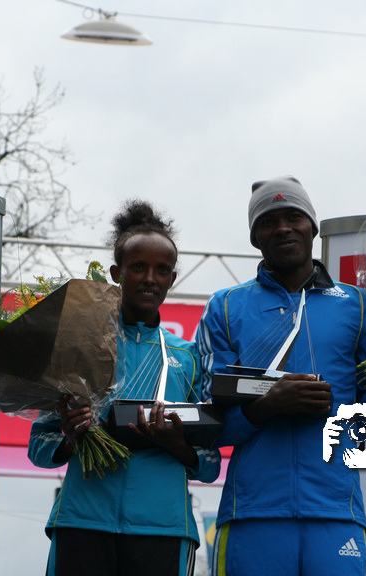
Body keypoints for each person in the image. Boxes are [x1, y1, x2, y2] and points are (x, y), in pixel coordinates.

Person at [196, 176, 366, 576]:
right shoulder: (225, 307)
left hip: (335, 513)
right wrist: (268, 407)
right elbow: (211, 427)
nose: (283, 228)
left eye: (293, 217)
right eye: (268, 221)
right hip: (253, 514)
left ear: (312, 226)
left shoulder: (359, 305)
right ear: (254, 237)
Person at [28, 200, 221, 576]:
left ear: (172, 279)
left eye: (161, 270)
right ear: (117, 273)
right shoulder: (79, 344)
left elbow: (210, 461)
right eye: (138, 267)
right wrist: (72, 436)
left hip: (163, 527)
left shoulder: (188, 356)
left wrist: (176, 444)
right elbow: (39, 445)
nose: (150, 278)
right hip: (83, 521)